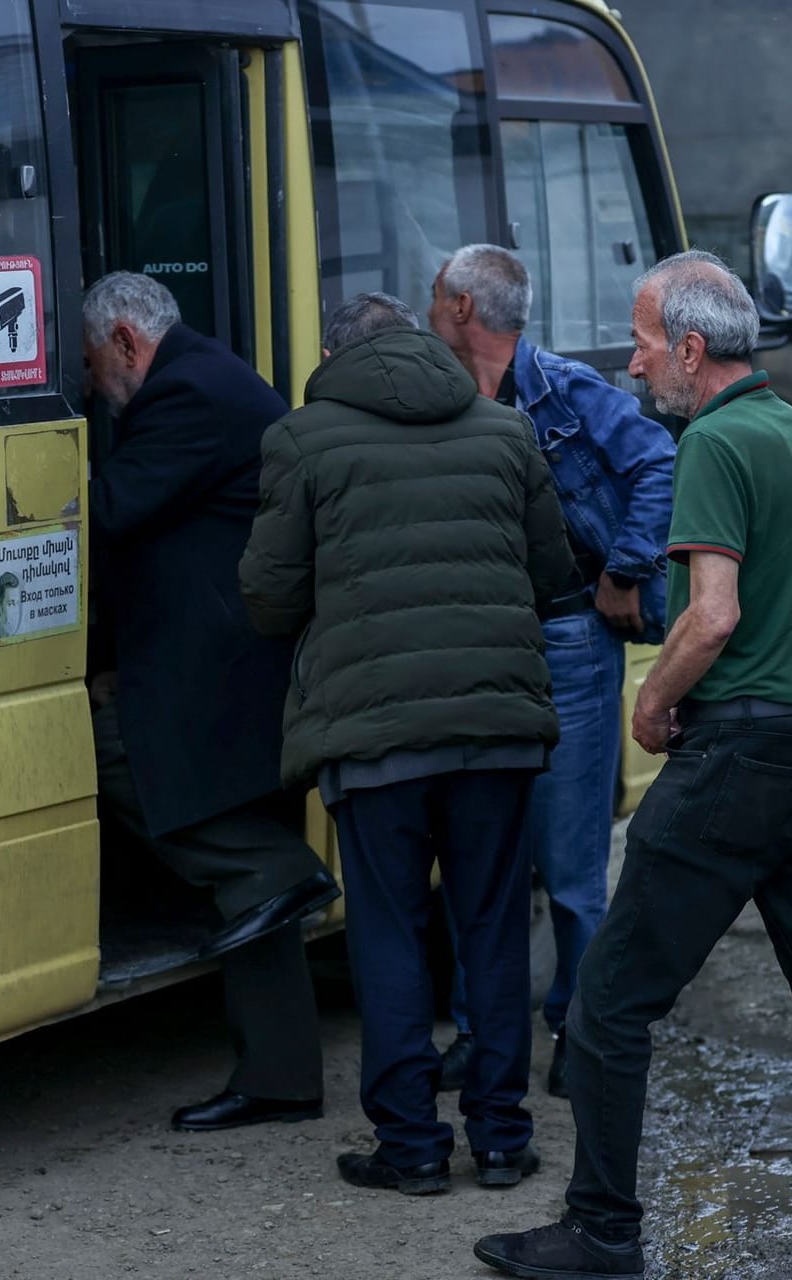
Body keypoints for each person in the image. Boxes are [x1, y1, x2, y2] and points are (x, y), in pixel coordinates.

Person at [476, 252, 792, 1280]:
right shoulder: (789, 427)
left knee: (609, 1000)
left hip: (736, 753)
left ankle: (604, 1231)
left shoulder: (713, 441)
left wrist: (653, 694)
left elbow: (711, 614)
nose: (630, 366)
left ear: (688, 346)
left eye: (639, 342)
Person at [240, 292, 576, 1196]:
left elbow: (269, 598)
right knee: (493, 931)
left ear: (334, 355)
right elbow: (555, 574)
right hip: (497, 732)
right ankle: (503, 1139)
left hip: (374, 733)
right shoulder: (504, 432)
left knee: (389, 935)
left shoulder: (304, 440)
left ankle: (413, 1149)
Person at [82, 271, 339, 1133]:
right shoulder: (202, 374)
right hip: (227, 656)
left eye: (92, 363)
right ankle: (281, 1076)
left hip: (221, 666)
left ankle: (286, 871)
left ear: (125, 340)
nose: (91, 385)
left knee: (130, 763)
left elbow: (111, 510)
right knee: (248, 889)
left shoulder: (188, 391)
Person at [427, 243, 675, 1099]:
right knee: (479, 859)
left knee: (569, 871)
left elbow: (657, 461)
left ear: (462, 306)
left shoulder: (562, 387)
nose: (430, 313)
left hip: (568, 639)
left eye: (435, 298)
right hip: (480, 644)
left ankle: (580, 1029)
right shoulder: (441, 394)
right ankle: (479, 1033)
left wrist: (626, 569)